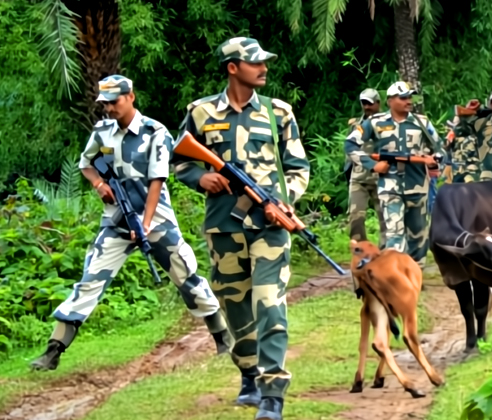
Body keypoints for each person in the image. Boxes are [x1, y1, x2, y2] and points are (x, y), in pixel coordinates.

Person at [30, 75, 229, 371]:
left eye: (114, 102)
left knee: (186, 275)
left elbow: (157, 183)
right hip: (116, 221)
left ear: (131, 97)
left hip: (156, 221)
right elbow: (86, 164)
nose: (109, 108)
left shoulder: (155, 132)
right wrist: (99, 185)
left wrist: (145, 225)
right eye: (105, 103)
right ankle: (53, 351)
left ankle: (222, 337)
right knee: (89, 281)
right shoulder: (102, 132)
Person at [173, 37, 310, 420]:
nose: (263, 67)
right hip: (224, 228)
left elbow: (298, 168)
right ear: (233, 67)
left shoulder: (278, 112)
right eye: (255, 62)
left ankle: (272, 393)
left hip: (269, 227)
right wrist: (202, 178)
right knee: (235, 309)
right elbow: (182, 161)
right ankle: (249, 371)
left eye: (265, 62)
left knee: (269, 305)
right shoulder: (200, 112)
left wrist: (287, 202)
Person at [344, 81, 443, 269]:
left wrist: (434, 161)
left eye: (409, 97)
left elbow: (439, 148)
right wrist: (372, 165)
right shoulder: (375, 122)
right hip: (389, 187)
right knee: (394, 233)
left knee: (418, 235)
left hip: (417, 185)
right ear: (390, 101)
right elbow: (350, 145)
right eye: (403, 97)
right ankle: (394, 275)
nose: (408, 101)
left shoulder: (422, 122)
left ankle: (415, 273)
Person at [344, 88, 387, 249]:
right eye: (364, 103)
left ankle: (384, 255)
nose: (367, 107)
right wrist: (348, 172)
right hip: (359, 178)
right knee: (355, 218)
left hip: (381, 178)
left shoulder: (387, 124)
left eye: (370, 103)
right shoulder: (356, 124)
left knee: (386, 219)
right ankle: (360, 253)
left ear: (378, 103)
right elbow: (349, 149)